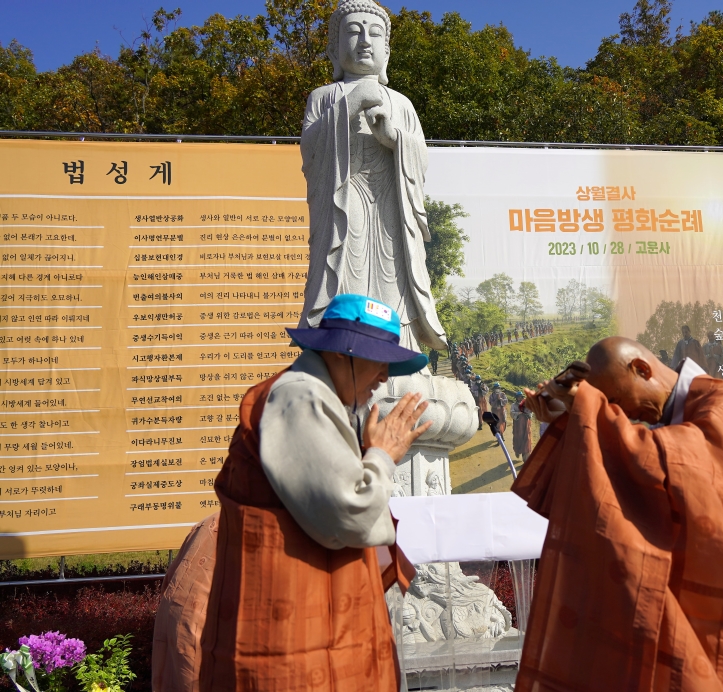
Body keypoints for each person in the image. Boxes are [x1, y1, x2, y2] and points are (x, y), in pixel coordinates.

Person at [513, 336, 723, 691]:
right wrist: (571, 417)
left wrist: (590, 411)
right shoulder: (676, 419)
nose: (621, 414)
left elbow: (661, 460)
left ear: (641, 369)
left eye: (615, 401)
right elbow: (622, 479)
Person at [153, 294, 431, 692]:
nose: (385, 376)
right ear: (339, 354)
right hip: (293, 632)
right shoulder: (300, 395)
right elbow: (350, 515)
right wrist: (383, 458)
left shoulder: (316, 396)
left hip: (310, 624)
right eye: (377, 359)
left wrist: (370, 454)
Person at [297, 0, 446, 352]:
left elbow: (420, 160)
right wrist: (349, 105)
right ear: (334, 50)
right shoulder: (323, 98)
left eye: (375, 33)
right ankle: (339, 356)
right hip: (342, 212)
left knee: (393, 281)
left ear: (387, 52)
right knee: (344, 281)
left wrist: (395, 139)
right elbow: (311, 151)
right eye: (353, 32)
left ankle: (400, 352)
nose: (365, 40)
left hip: (390, 212)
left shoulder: (401, 103)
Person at [511, 392, 533, 461]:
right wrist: (518, 413)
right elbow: (512, 413)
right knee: (518, 438)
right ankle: (517, 451)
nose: (520, 398)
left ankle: (525, 459)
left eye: (521, 397)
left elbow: (531, 413)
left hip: (526, 425)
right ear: (516, 398)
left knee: (527, 439)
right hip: (518, 426)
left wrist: (526, 412)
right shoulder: (513, 405)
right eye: (518, 397)